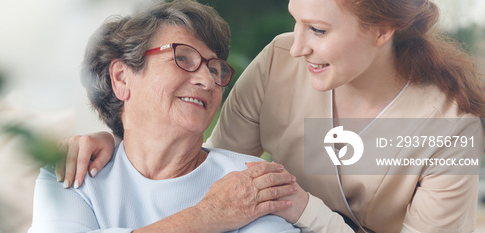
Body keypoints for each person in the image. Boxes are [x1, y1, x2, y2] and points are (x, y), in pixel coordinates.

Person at [60, 0, 485, 232]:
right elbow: (210, 175)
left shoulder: (448, 128)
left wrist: (304, 210)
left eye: (319, 30)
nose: (298, 44)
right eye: (296, 20)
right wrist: (123, 140)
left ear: (383, 31)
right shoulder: (280, 62)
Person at [28, 1, 302, 232]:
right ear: (121, 78)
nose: (207, 81)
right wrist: (206, 216)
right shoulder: (72, 171)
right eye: (183, 58)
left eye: (215, 69)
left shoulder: (252, 183)